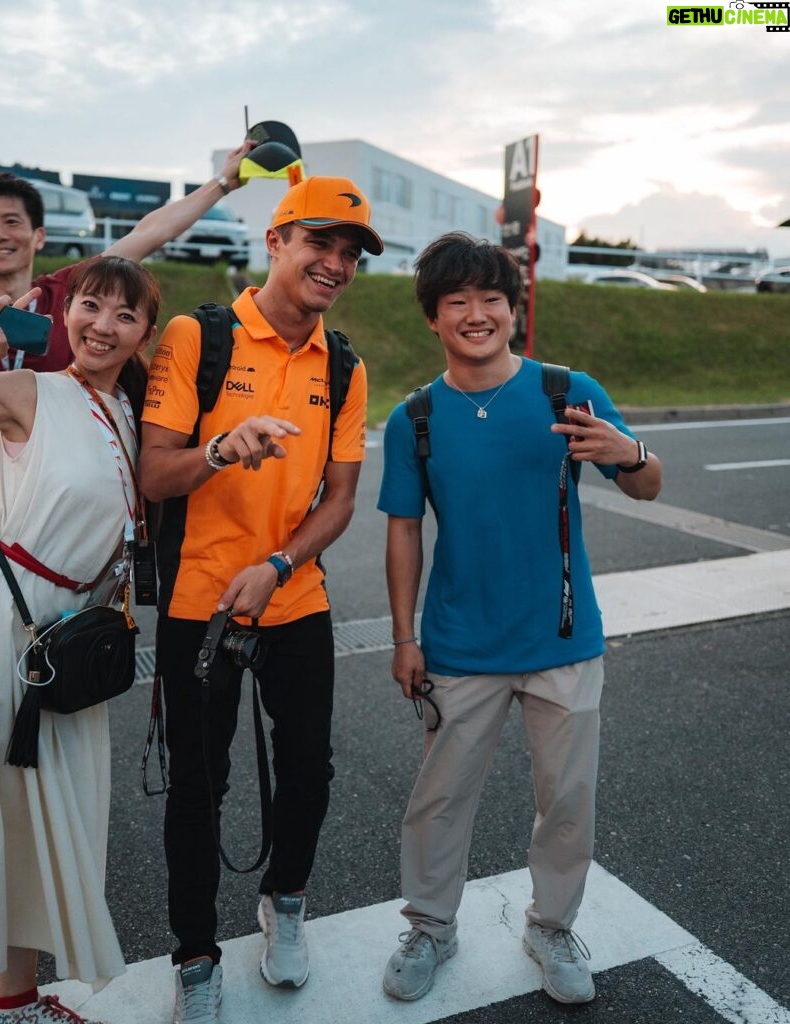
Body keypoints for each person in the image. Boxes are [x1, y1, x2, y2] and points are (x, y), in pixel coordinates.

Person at [378, 232, 662, 1006]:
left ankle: (552, 925)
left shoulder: (565, 391)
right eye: (457, 302)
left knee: (567, 799)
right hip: (459, 644)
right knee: (439, 798)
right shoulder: (415, 419)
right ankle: (431, 926)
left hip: (564, 639)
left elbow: (648, 484)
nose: (477, 314)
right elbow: (404, 529)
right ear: (433, 319)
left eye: (491, 299)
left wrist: (629, 452)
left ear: (514, 309)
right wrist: (404, 637)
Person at [138, 176, 383, 1024]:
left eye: (351, 254)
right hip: (197, 605)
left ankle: (285, 903)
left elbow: (341, 499)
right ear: (276, 241)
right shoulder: (195, 335)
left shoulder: (342, 364)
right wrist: (217, 451)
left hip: (293, 598)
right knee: (198, 788)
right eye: (321, 243)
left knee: (308, 772)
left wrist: (278, 565)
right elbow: (153, 470)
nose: (336, 264)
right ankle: (196, 957)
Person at [0, 256, 160, 1023]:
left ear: (145, 333)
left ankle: (15, 999)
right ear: (62, 312)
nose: (102, 325)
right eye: (89, 305)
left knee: (35, 815)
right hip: (0, 621)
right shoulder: (27, 390)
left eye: (125, 315)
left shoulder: (126, 412)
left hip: (68, 645)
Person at [0, 143, 251, 531]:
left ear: (39, 236)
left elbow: (150, 232)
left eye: (12, 222)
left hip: (50, 510)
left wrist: (222, 182)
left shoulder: (75, 292)